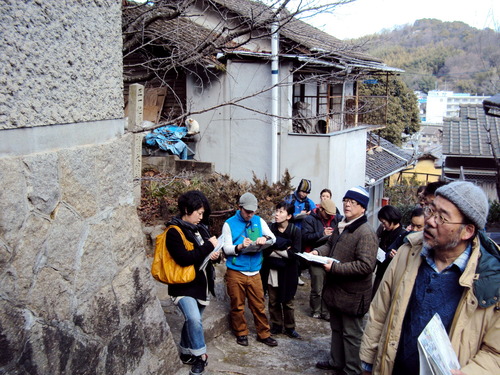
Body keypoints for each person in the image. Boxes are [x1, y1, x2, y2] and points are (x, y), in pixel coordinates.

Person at [360, 181, 500, 375]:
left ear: (467, 231)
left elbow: (495, 352)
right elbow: (380, 310)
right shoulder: (408, 252)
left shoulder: (490, 278)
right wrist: (368, 361)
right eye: (430, 210)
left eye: (442, 218)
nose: (431, 221)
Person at [312, 186, 378, 375]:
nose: (348, 205)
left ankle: (352, 370)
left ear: (363, 208)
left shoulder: (366, 233)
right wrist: (318, 253)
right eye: (346, 201)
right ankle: (336, 361)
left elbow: (366, 266)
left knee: (352, 334)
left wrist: (335, 268)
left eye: (353, 202)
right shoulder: (342, 224)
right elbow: (330, 245)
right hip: (336, 290)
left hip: (353, 294)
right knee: (336, 328)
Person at [165, 190, 221, 375]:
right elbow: (184, 258)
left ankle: (185, 352)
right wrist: (208, 247)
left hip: (201, 285)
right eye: (199, 213)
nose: (201, 217)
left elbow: (205, 256)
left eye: (203, 213)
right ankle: (200, 357)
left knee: (192, 321)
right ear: (187, 210)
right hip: (182, 286)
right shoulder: (173, 231)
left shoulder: (200, 228)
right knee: (194, 319)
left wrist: (214, 255)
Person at [222, 192, 278, 347]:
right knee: (237, 305)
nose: (250, 214)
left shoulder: (259, 221)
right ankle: (241, 333)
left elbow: (273, 238)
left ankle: (264, 334)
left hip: (255, 271)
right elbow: (226, 248)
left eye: (253, 211)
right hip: (236, 271)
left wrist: (264, 239)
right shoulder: (229, 223)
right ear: (240, 208)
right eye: (247, 211)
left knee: (259, 304)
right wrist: (239, 246)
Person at [261, 202, 302, 339]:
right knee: (273, 299)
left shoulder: (295, 231)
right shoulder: (270, 228)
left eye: (281, 212)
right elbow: (266, 251)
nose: (277, 214)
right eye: (276, 211)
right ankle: (277, 324)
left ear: (289, 216)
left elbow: (295, 254)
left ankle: (290, 327)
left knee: (288, 300)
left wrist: (276, 249)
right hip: (272, 268)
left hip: (289, 271)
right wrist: (284, 250)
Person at [301, 198, 342, 320]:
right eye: (327, 214)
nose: (330, 217)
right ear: (321, 210)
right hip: (315, 256)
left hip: (330, 257)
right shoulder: (309, 219)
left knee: (328, 286)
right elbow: (305, 238)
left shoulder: (337, 218)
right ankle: (316, 310)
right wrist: (322, 234)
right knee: (317, 286)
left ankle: (326, 311)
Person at [372, 205, 408, 296]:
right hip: (380, 271)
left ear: (391, 219)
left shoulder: (402, 235)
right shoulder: (385, 232)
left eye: (384, 222)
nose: (383, 225)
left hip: (391, 274)